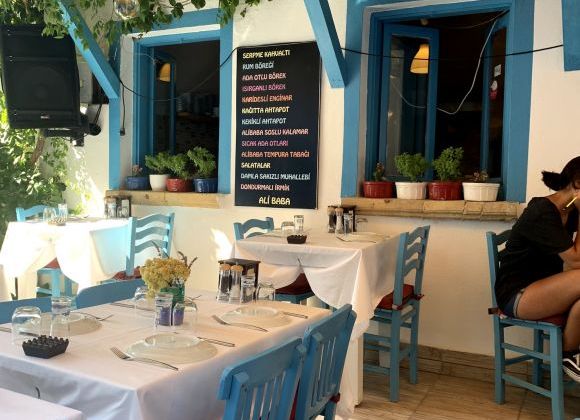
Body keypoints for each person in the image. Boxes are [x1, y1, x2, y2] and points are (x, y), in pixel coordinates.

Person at [495, 156, 580, 381]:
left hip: (544, 286)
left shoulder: (568, 211)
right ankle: (569, 354)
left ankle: (570, 355)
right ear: (577, 184)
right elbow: (575, 261)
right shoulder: (543, 211)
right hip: (517, 295)